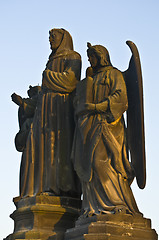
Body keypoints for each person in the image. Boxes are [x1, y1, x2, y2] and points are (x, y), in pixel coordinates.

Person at [72, 43, 141, 217]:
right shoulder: (92, 77)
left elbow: (120, 98)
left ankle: (116, 204)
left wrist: (97, 106)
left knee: (101, 162)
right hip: (89, 127)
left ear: (101, 56)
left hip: (108, 125)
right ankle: (93, 208)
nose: (89, 59)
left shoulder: (114, 74)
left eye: (91, 56)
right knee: (89, 166)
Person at [18, 28, 81, 199]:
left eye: (53, 37)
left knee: (59, 146)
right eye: (49, 37)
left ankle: (61, 186)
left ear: (63, 39)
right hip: (45, 108)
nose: (50, 40)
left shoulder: (73, 57)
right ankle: (44, 185)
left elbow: (71, 81)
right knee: (42, 145)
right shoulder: (51, 60)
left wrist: (48, 76)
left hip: (61, 109)